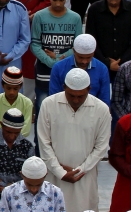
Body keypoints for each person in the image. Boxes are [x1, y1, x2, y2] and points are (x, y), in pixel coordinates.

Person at [37, 67, 112, 212]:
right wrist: (60, 172)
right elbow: (44, 142)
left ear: (89, 89)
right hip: (54, 176)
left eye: (81, 96)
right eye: (71, 95)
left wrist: (80, 170)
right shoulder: (48, 104)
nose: (76, 100)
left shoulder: (101, 109)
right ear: (64, 87)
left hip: (85, 178)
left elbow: (101, 148)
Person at [0, 157, 67, 212]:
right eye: (29, 184)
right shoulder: (9, 193)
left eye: (38, 185)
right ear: (22, 175)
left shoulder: (55, 193)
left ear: (45, 176)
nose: (34, 189)